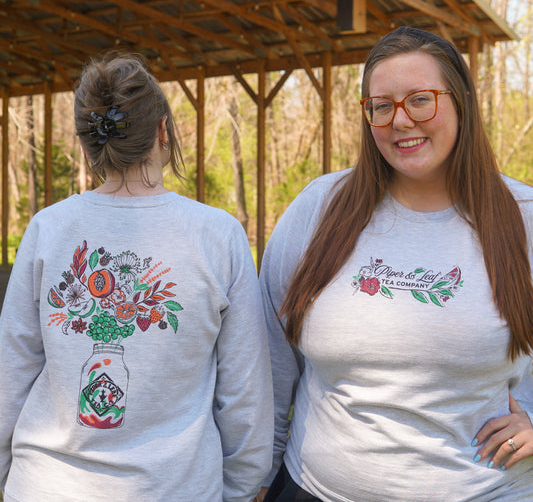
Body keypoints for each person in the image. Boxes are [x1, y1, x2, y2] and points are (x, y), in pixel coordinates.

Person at [257, 26, 533, 501]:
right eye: (381, 106)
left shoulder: (523, 217)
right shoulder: (319, 208)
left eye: (420, 99)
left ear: (461, 100)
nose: (400, 121)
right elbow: (268, 357)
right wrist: (257, 479)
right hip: (318, 490)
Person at [0, 53, 273, 502]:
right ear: (163, 132)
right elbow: (245, 393)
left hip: (47, 486)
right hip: (175, 489)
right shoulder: (218, 235)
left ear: (88, 143)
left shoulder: (47, 228)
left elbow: (12, 372)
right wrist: (242, 487)